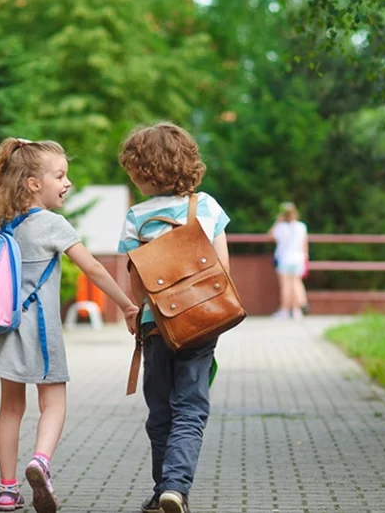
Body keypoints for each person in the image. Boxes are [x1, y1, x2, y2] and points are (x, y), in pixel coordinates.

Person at [0, 137, 139, 513]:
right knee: (54, 402)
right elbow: (95, 269)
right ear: (34, 184)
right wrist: (127, 306)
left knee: (10, 409)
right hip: (41, 331)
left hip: (5, 330)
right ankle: (41, 461)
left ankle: (7, 491)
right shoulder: (52, 224)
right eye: (60, 175)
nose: (67, 183)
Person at [117, 122, 231, 513]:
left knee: (161, 409)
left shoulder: (135, 217)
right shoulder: (208, 207)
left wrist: (138, 312)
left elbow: (134, 283)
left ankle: (162, 486)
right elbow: (223, 270)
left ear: (142, 172)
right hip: (201, 320)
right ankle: (175, 488)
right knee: (191, 406)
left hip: (156, 324)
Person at [269, 202, 309, 320]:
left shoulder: (280, 227)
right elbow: (304, 244)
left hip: (284, 258)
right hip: (298, 258)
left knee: (286, 285)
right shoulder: (301, 226)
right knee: (296, 283)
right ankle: (297, 311)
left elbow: (270, 236)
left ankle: (285, 310)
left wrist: (277, 221)